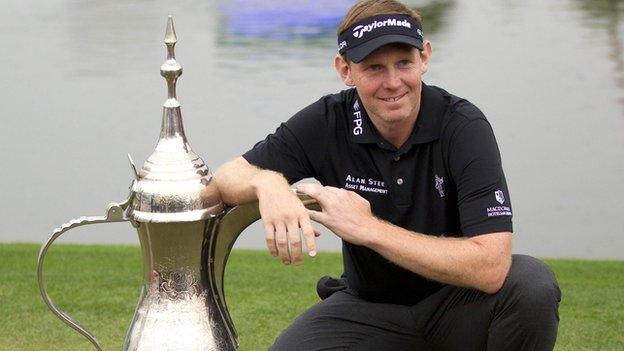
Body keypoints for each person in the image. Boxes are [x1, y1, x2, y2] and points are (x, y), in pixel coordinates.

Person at [212, 0, 561, 349]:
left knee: (531, 284)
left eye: (404, 63)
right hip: (369, 306)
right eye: (374, 68)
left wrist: (368, 228)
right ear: (345, 70)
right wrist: (268, 182)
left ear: (424, 57)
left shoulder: (463, 126)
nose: (393, 83)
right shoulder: (328, 120)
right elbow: (226, 179)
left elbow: (491, 266)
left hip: (460, 304)